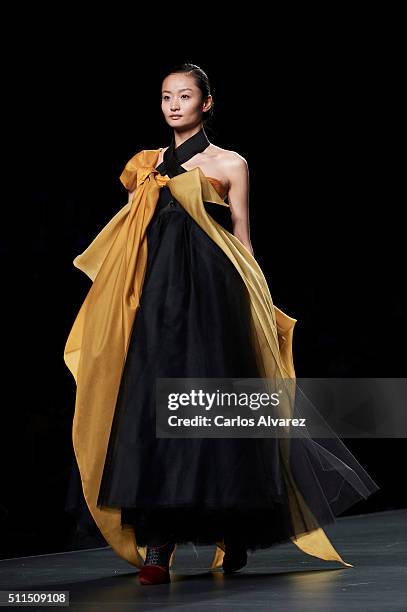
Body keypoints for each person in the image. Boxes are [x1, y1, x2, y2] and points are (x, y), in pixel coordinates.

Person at [64, 63, 379, 586]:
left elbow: (243, 237)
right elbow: (132, 242)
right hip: (160, 303)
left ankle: (233, 532)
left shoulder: (230, 163)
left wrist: (256, 302)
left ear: (206, 103)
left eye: (184, 96)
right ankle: (158, 545)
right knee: (152, 407)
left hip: (216, 297)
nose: (173, 104)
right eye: (166, 96)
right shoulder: (146, 166)